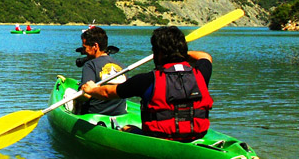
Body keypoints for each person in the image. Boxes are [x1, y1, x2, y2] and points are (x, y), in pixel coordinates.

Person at [81, 26, 213, 141]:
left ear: (159, 53)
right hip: (196, 134)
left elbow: (107, 92)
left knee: (127, 128)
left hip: (159, 138)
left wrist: (91, 89)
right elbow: (205, 57)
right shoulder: (201, 74)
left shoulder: (147, 80)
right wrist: (180, 53)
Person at [72, 26, 128, 117]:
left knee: (69, 93)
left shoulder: (90, 65)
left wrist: (76, 97)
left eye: (85, 47)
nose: (84, 51)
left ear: (95, 46)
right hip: (119, 114)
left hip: (95, 114)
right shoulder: (122, 66)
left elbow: (86, 95)